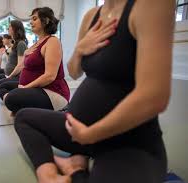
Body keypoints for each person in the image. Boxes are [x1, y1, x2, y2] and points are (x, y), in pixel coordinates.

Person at [14, 0, 175, 183]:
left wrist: (90, 135)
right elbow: (74, 72)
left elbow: (154, 97)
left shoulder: (150, 5)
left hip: (127, 140)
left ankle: (76, 169)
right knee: (24, 118)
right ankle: (49, 175)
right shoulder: (92, 16)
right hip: (78, 129)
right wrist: (80, 49)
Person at [0, 7, 70, 114]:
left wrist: (25, 88)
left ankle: (22, 105)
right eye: (31, 19)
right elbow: (22, 66)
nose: (31, 22)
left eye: (35, 19)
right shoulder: (36, 43)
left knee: (11, 98)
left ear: (45, 21)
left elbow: (50, 76)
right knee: (2, 86)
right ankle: (24, 105)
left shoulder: (52, 41)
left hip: (51, 92)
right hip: (33, 88)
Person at [0, 20, 28, 88]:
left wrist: (10, 77)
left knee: (0, 85)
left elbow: (20, 65)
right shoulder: (16, 43)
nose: (8, 28)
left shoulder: (21, 44)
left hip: (16, 76)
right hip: (9, 74)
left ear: (15, 29)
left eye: (10, 26)